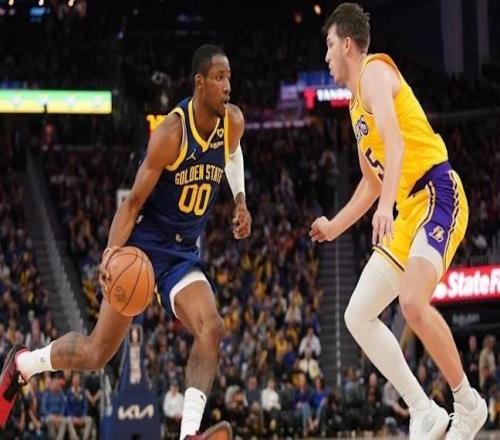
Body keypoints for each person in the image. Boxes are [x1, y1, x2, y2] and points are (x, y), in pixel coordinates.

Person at [0, 44, 251, 440]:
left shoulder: (232, 121)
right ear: (200, 83)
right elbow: (132, 202)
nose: (227, 86)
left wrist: (240, 200)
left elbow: (232, 154)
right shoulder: (171, 134)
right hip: (143, 250)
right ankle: (25, 365)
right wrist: (111, 253)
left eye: (229, 78)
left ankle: (189, 434)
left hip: (182, 256)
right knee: (96, 353)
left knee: (212, 327)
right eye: (219, 78)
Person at [309, 3, 487, 439]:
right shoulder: (355, 107)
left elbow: (396, 143)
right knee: (357, 315)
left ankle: (468, 403)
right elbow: (371, 183)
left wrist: (386, 206)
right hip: (408, 210)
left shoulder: (374, 72)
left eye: (329, 45)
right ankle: (423, 409)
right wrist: (334, 226)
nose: (326, 56)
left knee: (411, 302)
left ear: (347, 45)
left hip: (437, 193)